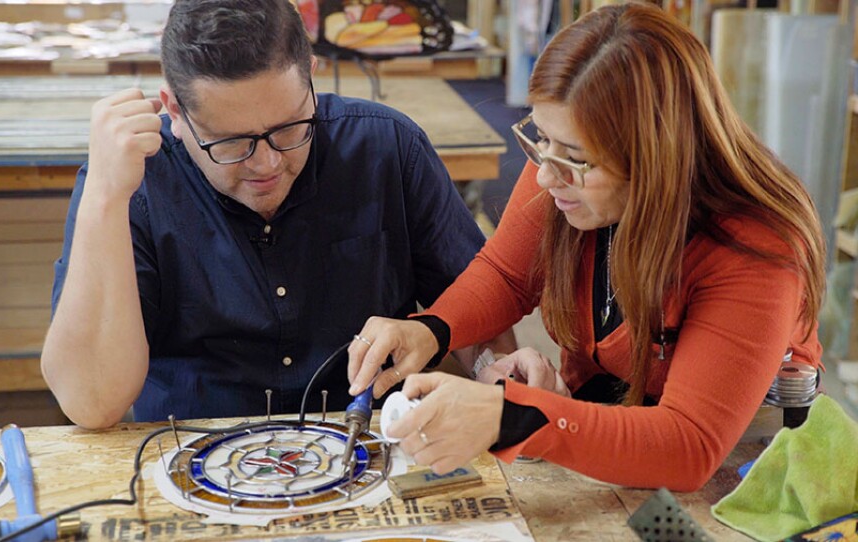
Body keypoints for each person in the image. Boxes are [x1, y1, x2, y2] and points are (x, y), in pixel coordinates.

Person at [347, 1, 826, 492]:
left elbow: (687, 447)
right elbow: (509, 276)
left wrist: (510, 418)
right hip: (612, 426)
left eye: (576, 159)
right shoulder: (561, 171)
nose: (546, 175)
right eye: (539, 139)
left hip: (736, 465)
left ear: (656, 157)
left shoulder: (756, 248)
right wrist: (433, 330)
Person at [41, 0, 513, 429]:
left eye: (289, 129)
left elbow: (480, 313)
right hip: (190, 457)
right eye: (231, 142)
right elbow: (91, 404)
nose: (266, 164)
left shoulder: (386, 147)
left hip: (370, 444)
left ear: (311, 75)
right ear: (174, 112)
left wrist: (490, 372)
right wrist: (103, 196)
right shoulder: (133, 180)